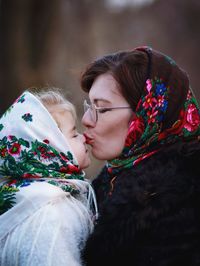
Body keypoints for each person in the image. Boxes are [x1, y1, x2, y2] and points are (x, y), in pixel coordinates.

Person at [80, 46, 200, 266]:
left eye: (103, 109)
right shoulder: (109, 183)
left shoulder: (185, 201)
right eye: (89, 105)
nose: (86, 120)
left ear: (148, 115)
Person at [0, 89, 97, 266]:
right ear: (51, 149)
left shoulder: (32, 196)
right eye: (74, 134)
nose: (84, 138)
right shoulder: (49, 215)